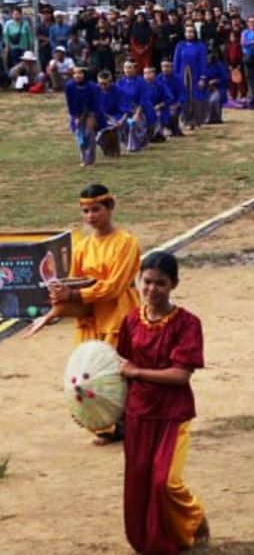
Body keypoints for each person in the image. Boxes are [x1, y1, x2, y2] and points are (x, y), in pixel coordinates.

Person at [24, 184, 141, 444]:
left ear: (110, 208)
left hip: (118, 314)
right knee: (89, 375)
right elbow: (73, 282)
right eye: (85, 211)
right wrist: (53, 310)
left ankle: (126, 423)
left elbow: (113, 287)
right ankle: (104, 425)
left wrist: (74, 295)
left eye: (96, 210)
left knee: (117, 370)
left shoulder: (126, 243)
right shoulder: (84, 245)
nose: (90, 216)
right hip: (89, 317)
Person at [117, 252, 208, 555]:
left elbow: (181, 374)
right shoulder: (130, 321)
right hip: (138, 413)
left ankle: (194, 517)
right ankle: (149, 538)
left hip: (172, 413)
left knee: (164, 481)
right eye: (147, 282)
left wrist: (138, 372)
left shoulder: (187, 324)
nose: (152, 289)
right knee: (140, 479)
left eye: (161, 283)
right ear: (138, 282)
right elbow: (119, 366)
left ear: (174, 285)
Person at [64, 67, 100, 166]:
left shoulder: (92, 87)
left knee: (89, 134)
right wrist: (76, 116)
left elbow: (95, 103)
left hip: (91, 112)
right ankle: (83, 158)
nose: (77, 75)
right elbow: (70, 103)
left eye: (80, 73)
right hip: (76, 113)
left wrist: (92, 116)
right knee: (79, 135)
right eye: (75, 73)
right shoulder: (69, 86)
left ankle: (90, 159)